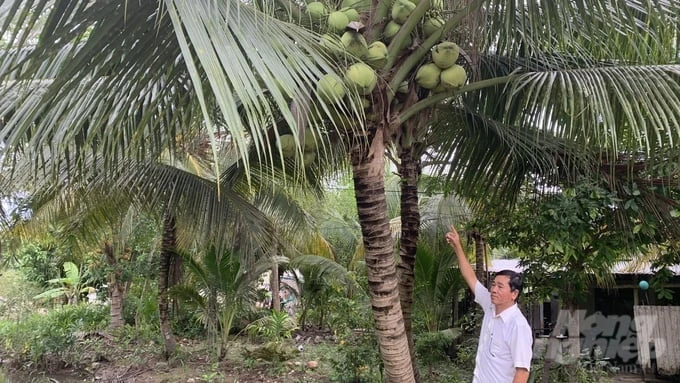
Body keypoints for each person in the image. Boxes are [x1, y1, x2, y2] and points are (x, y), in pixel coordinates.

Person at [446, 225, 533, 383]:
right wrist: (458, 246)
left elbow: (522, 373)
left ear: (514, 294)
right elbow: (471, 277)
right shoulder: (490, 305)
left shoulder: (518, 326)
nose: (493, 290)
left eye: (500, 287)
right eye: (493, 285)